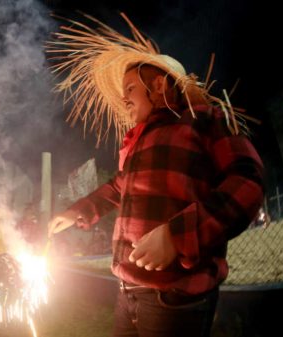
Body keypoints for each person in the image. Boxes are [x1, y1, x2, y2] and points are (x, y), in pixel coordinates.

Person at [47, 14, 264, 337]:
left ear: (159, 86)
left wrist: (178, 234)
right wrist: (80, 210)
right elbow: (120, 187)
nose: (124, 98)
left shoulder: (204, 121)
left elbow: (248, 182)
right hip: (127, 290)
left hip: (176, 297)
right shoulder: (137, 142)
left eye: (131, 87)